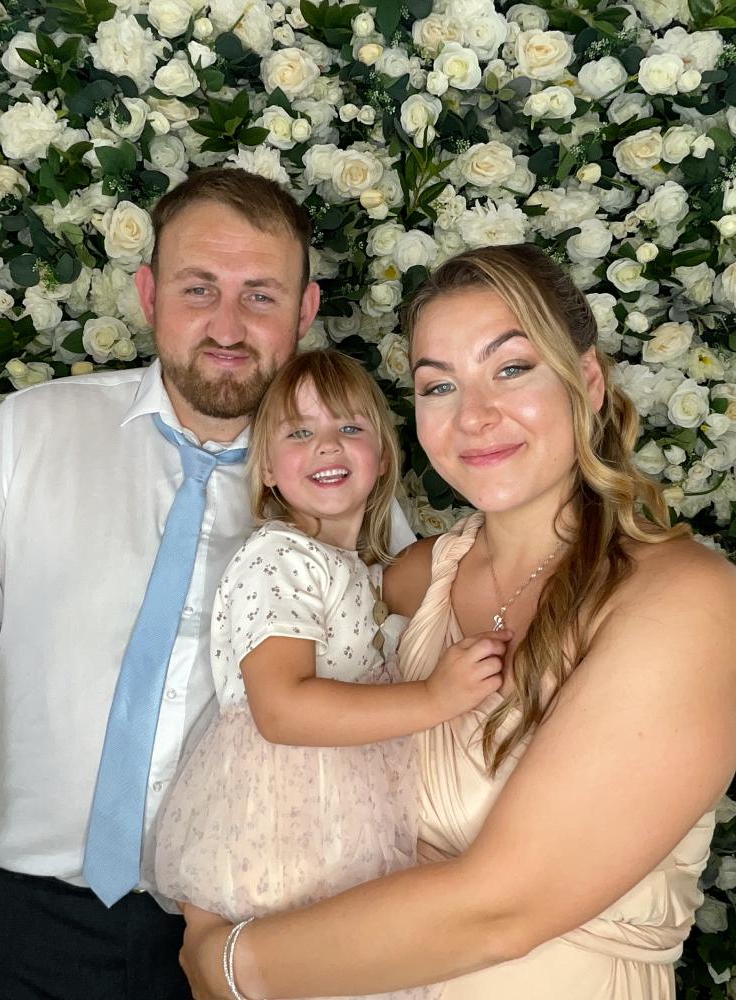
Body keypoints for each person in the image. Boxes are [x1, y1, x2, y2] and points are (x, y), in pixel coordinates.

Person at [180, 244, 736, 1000]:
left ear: (588, 381)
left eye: (511, 368)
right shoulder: (421, 574)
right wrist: (217, 871)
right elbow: (271, 696)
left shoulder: (687, 600)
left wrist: (224, 964)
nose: (474, 416)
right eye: (439, 385)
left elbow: (501, 910)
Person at [0, 168, 415, 999]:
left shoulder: (352, 492)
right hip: (17, 913)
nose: (227, 325)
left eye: (260, 295)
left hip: (249, 925)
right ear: (149, 294)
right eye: (198, 288)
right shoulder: (29, 433)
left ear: (305, 310)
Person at [155, 351, 504, 1000]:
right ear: (266, 467)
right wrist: (435, 698)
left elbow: (442, 566)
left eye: (349, 428)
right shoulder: (279, 557)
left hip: (339, 831)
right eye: (299, 432)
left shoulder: (359, 572)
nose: (326, 445)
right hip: (278, 835)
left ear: (383, 457)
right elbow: (282, 710)